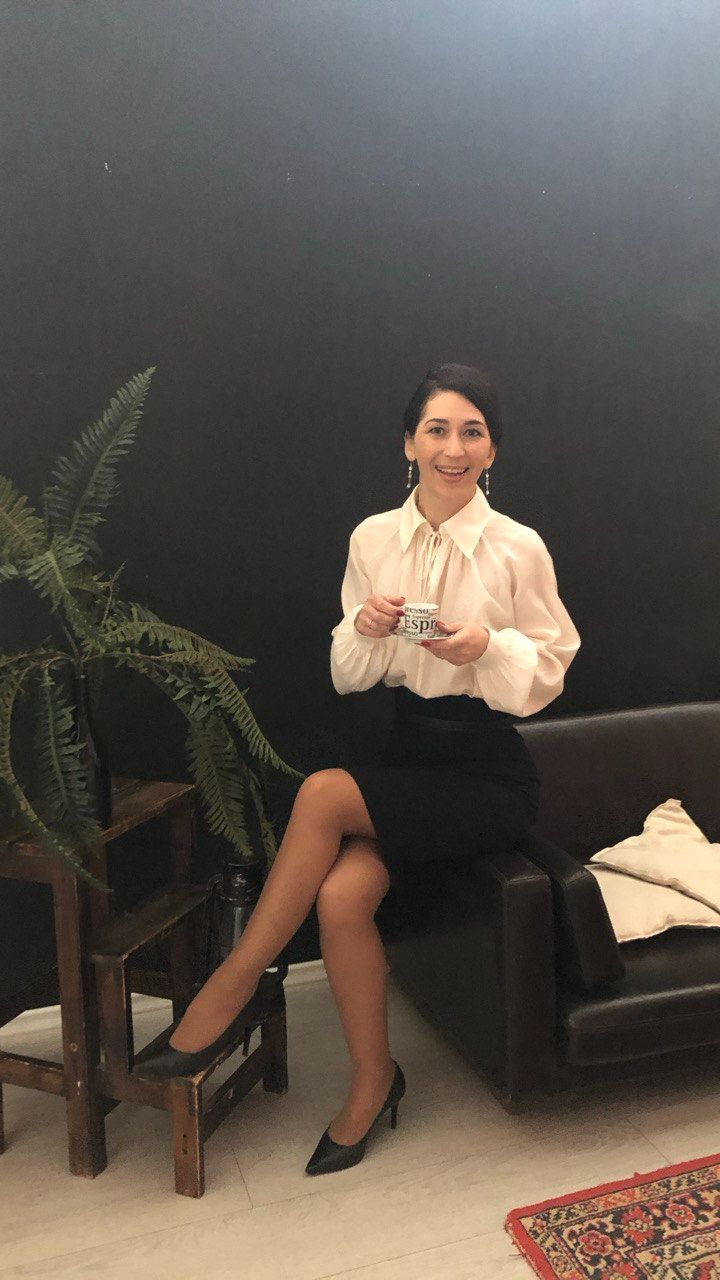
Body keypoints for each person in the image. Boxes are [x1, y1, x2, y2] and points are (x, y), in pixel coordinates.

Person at [141, 362, 581, 1179]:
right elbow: (349, 673)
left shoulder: (519, 547)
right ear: (408, 442)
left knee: (322, 792)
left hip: (488, 775)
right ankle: (375, 1082)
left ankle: (234, 985)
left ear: (492, 450)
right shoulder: (373, 539)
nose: (454, 448)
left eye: (473, 432)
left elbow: (551, 671)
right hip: (409, 760)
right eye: (437, 429)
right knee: (342, 899)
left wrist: (487, 647)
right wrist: (370, 630)